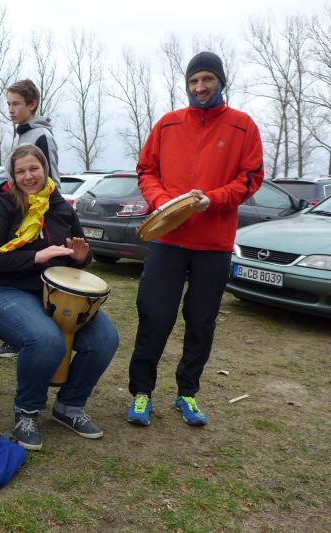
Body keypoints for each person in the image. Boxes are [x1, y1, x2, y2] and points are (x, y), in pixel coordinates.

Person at [125, 51, 264, 428]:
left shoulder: (242, 126)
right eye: (193, 81)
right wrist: (162, 203)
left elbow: (251, 178)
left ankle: (187, 392)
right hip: (168, 240)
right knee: (154, 315)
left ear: (221, 81)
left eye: (207, 79)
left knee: (201, 322)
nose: (200, 87)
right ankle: (141, 392)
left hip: (213, 244)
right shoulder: (168, 124)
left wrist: (212, 200)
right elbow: (146, 170)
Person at [0, 144, 118, 451]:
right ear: (12, 176)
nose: (28, 176)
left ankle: (70, 405)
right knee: (45, 340)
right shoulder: (3, 205)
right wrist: (35, 257)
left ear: (45, 169)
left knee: (105, 339)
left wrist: (80, 257)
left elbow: (81, 254)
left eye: (34, 169)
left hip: (59, 294)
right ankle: (27, 412)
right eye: (21, 171)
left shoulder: (62, 206)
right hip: (5, 290)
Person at [0, 79, 62, 360]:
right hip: (18, 210)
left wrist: (48, 214)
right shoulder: (22, 134)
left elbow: (50, 179)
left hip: (35, 215)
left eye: (16, 104)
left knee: (35, 267)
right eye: (8, 104)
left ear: (32, 104)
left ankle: (34, 332)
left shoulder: (41, 135)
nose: (10, 109)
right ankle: (18, 331)